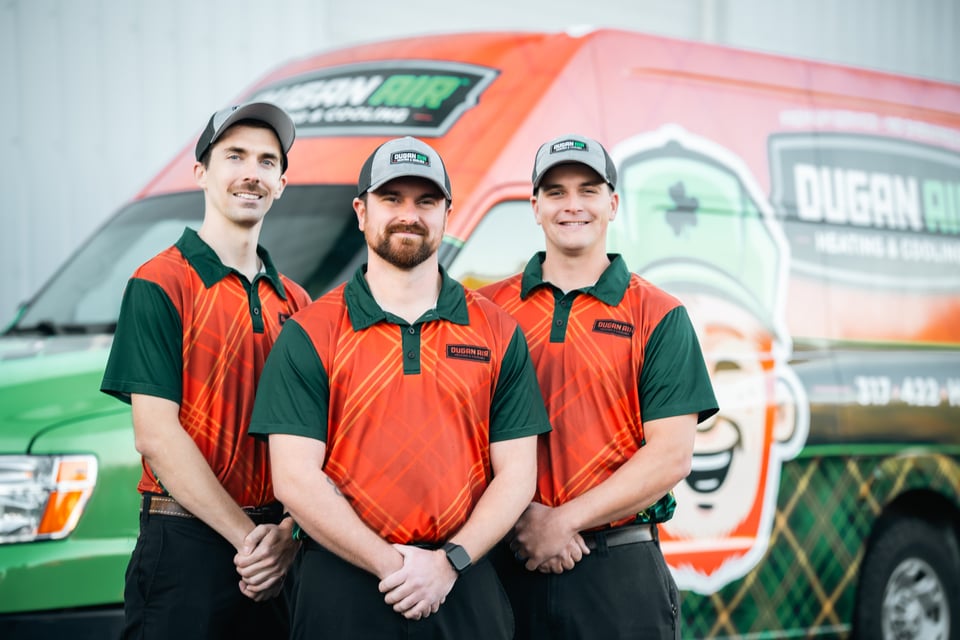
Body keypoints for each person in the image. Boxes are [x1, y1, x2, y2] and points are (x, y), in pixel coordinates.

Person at [248, 136, 551, 639]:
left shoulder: (497, 331)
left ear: (447, 214)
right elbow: (294, 479)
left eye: (425, 201)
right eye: (391, 199)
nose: (408, 214)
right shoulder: (311, 331)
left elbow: (518, 474)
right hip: (342, 583)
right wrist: (390, 564)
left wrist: (449, 563)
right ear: (361, 211)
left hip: (462, 579)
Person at [479, 133, 719, 639]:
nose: (573, 205)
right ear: (535, 206)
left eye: (588, 190)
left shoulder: (658, 315)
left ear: (612, 204)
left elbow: (670, 455)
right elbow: (460, 435)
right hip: (501, 560)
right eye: (557, 192)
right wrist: (526, 520)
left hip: (618, 572)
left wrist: (562, 521)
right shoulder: (485, 311)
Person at [100, 101, 311, 639]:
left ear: (281, 183)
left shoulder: (298, 302)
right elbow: (156, 437)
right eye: (234, 155)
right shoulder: (160, 282)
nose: (252, 173)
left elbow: (315, 438)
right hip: (185, 546)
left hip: (279, 551)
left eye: (267, 161)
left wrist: (287, 534)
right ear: (202, 173)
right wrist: (250, 541)